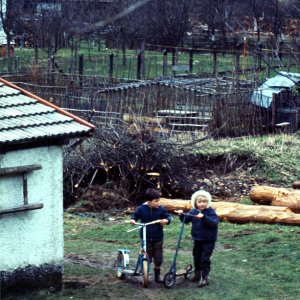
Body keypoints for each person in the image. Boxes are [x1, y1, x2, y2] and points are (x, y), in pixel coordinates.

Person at [175, 190, 218, 288]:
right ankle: (197, 274)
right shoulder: (193, 211)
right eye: (199, 202)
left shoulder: (210, 211)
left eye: (204, 202)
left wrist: (204, 217)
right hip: (198, 239)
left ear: (207, 202)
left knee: (204, 259)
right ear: (195, 203)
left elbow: (214, 222)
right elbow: (186, 220)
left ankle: (204, 278)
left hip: (208, 239)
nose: (202, 204)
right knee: (197, 257)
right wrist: (182, 215)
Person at [130, 188, 171, 283]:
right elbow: (134, 215)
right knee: (148, 257)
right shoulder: (142, 208)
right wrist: (133, 220)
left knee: (158, 257)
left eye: (159, 200)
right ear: (149, 201)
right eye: (156, 201)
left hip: (158, 237)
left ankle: (157, 276)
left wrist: (167, 220)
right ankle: (145, 275)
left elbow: (167, 216)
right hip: (146, 237)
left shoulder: (160, 209)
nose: (158, 203)